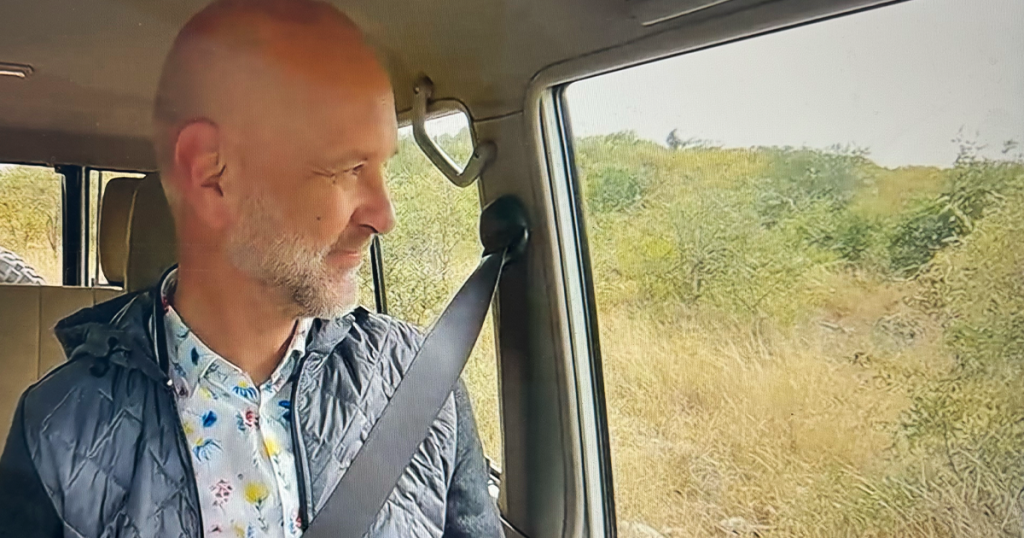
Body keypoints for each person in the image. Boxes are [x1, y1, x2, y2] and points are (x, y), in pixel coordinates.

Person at [0, 1, 502, 536]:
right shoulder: (56, 434)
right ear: (213, 176)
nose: (385, 216)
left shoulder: (421, 385)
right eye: (349, 167)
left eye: (382, 168)